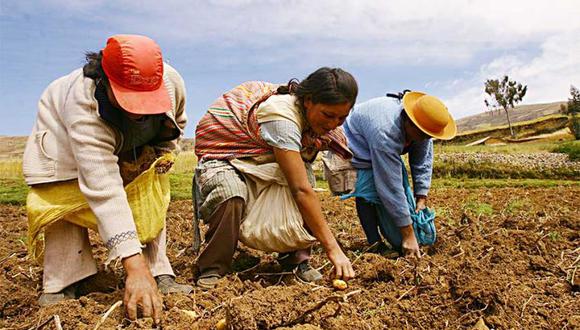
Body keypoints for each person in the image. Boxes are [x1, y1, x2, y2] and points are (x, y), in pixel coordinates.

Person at [22, 34, 191, 323]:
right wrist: (132, 269)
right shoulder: (83, 107)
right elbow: (104, 189)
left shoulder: (170, 81)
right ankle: (63, 280)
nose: (138, 112)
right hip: (63, 148)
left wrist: (162, 155)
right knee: (64, 199)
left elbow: (178, 121)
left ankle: (158, 269)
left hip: (135, 143)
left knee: (148, 190)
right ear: (106, 82)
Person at [193, 68, 358, 289]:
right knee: (229, 193)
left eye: (342, 117)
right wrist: (333, 248)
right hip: (228, 155)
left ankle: (296, 260)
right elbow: (300, 190)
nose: (333, 124)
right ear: (308, 101)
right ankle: (213, 267)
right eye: (328, 115)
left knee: (305, 179)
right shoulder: (281, 117)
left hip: (266, 156)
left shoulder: (317, 124)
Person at [342, 91, 457, 257]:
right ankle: (374, 243)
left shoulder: (423, 127)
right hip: (356, 144)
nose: (425, 139)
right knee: (367, 192)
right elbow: (391, 186)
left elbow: (422, 160)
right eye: (422, 135)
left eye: (428, 136)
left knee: (400, 201)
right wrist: (408, 235)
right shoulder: (385, 132)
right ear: (409, 123)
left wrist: (421, 196)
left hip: (379, 142)